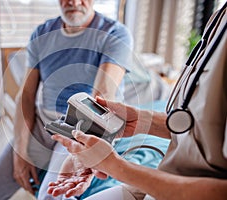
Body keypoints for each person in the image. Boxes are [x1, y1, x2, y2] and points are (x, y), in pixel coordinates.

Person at [48, 3, 227, 200]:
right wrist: (145, 120)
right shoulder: (220, 17)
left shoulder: (114, 32)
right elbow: (207, 128)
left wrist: (114, 166)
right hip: (170, 177)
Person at [0, 0, 134, 199]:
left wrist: (82, 149)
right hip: (44, 123)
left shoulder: (114, 33)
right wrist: (20, 152)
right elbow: (26, 95)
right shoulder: (42, 33)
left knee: (51, 195)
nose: (73, 2)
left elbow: (103, 94)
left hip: (82, 125)